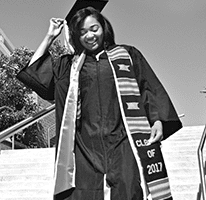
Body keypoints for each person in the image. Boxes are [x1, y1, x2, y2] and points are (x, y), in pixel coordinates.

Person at [17, 6, 182, 200]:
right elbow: (34, 71)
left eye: (94, 29)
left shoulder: (127, 55)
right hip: (83, 146)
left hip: (123, 141)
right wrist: (50, 36)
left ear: (104, 28)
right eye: (82, 32)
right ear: (76, 36)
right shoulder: (69, 65)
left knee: (128, 191)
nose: (89, 36)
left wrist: (158, 120)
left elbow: (148, 87)